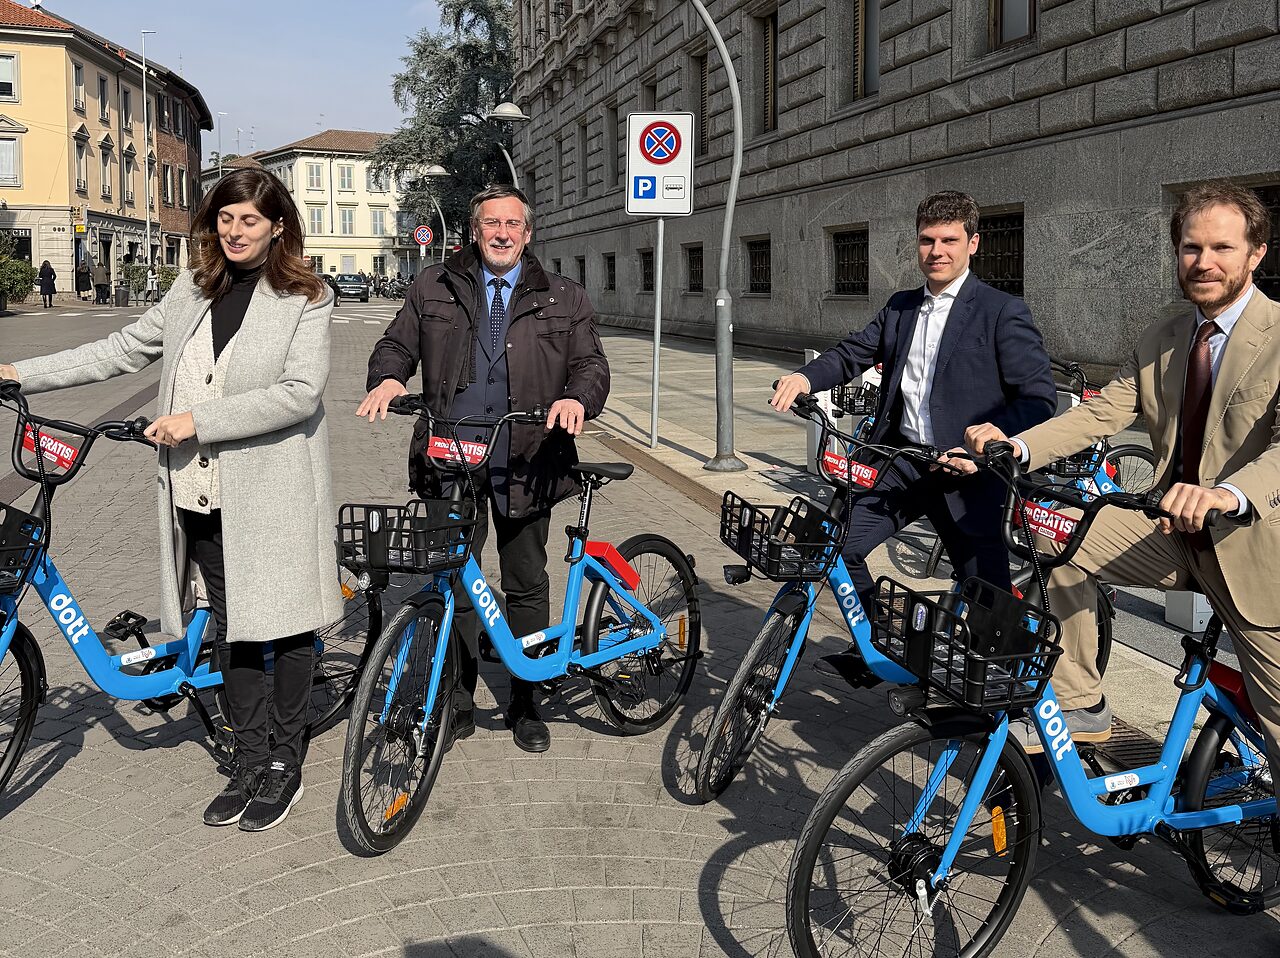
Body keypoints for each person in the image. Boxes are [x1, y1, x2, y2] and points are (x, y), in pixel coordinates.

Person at [0, 168, 340, 829]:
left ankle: (285, 760)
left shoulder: (306, 295)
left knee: (288, 626)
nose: (236, 231)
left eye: (250, 219)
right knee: (233, 624)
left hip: (273, 489)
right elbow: (121, 349)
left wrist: (197, 421)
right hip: (202, 488)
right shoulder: (191, 289)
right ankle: (248, 757)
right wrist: (20, 373)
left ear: (277, 226)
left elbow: (300, 392)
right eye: (225, 218)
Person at [965, 182, 1280, 767]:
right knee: (1056, 533)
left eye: (1221, 248)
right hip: (1172, 537)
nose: (1203, 262)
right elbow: (1104, 410)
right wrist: (1015, 446)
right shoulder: (1162, 336)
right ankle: (1082, 702)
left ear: (1256, 253)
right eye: (1190, 248)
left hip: (1256, 551)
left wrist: (1227, 494)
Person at [358, 184, 610, 753]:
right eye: (491, 223)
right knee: (454, 582)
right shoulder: (434, 284)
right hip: (450, 455)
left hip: (529, 456)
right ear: (475, 231)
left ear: (528, 233)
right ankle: (458, 699)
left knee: (525, 582)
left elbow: (591, 363)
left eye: (512, 224)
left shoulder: (562, 296)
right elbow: (396, 344)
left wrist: (577, 398)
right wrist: (390, 376)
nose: (501, 233)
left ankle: (527, 698)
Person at [770, 190, 1057, 686]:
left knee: (984, 590)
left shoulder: (1000, 311)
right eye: (928, 240)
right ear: (916, 244)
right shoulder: (901, 307)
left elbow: (1038, 398)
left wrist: (990, 441)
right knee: (837, 548)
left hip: (969, 471)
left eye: (950, 240)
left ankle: (1011, 696)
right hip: (903, 461)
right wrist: (805, 377)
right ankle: (883, 643)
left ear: (974, 244)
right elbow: (853, 352)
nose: (937, 251)